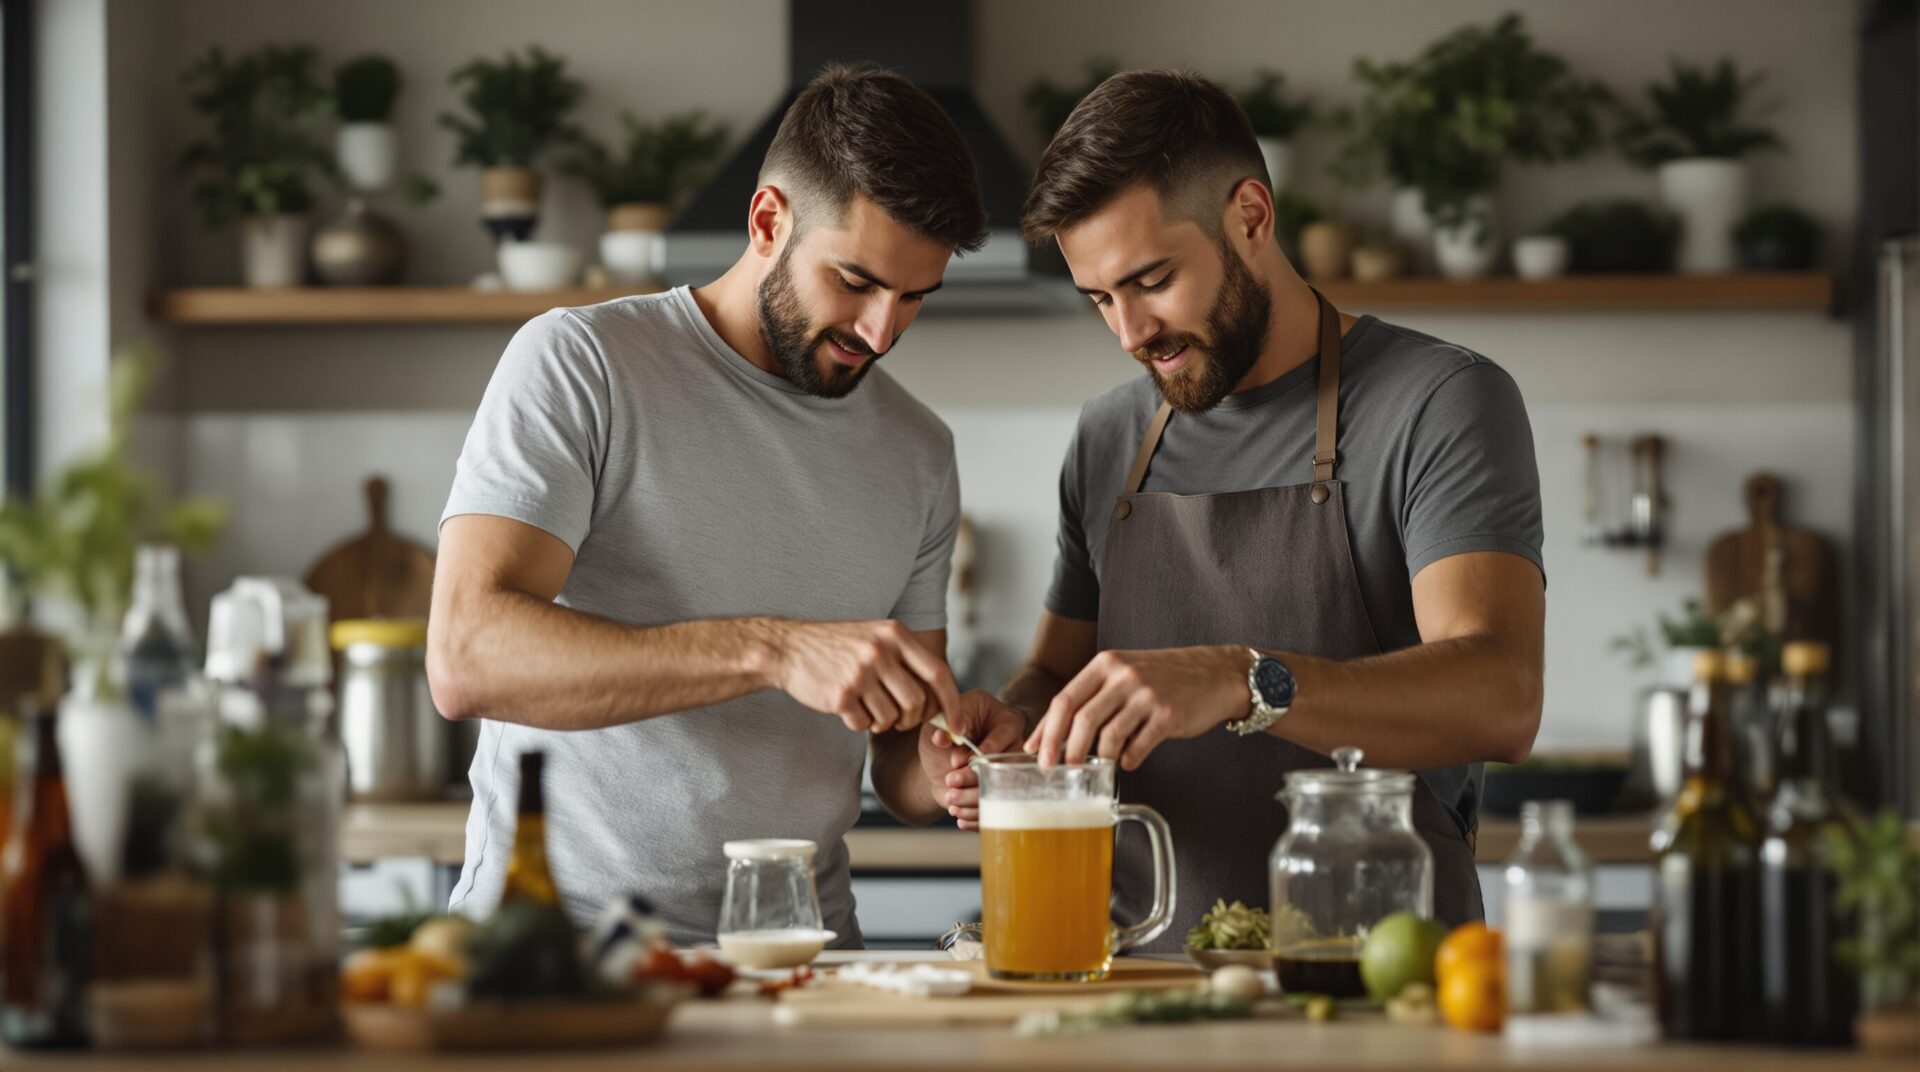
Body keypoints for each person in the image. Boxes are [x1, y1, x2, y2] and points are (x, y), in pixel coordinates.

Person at [427, 64, 1024, 944]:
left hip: (803, 957)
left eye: (915, 298)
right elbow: (468, 657)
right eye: (855, 281)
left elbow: (899, 752)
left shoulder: (918, 452)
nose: (881, 331)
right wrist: (774, 650)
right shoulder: (582, 364)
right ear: (768, 220)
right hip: (559, 952)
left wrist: (942, 767)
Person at [950, 69, 1546, 943]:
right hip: (1135, 979)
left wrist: (1242, 679)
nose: (1129, 333)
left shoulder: (1439, 401)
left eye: (1152, 279)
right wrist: (1014, 731)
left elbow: (1501, 693)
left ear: (1252, 218)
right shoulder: (1110, 436)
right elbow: (1052, 677)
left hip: (1378, 979)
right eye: (1099, 299)